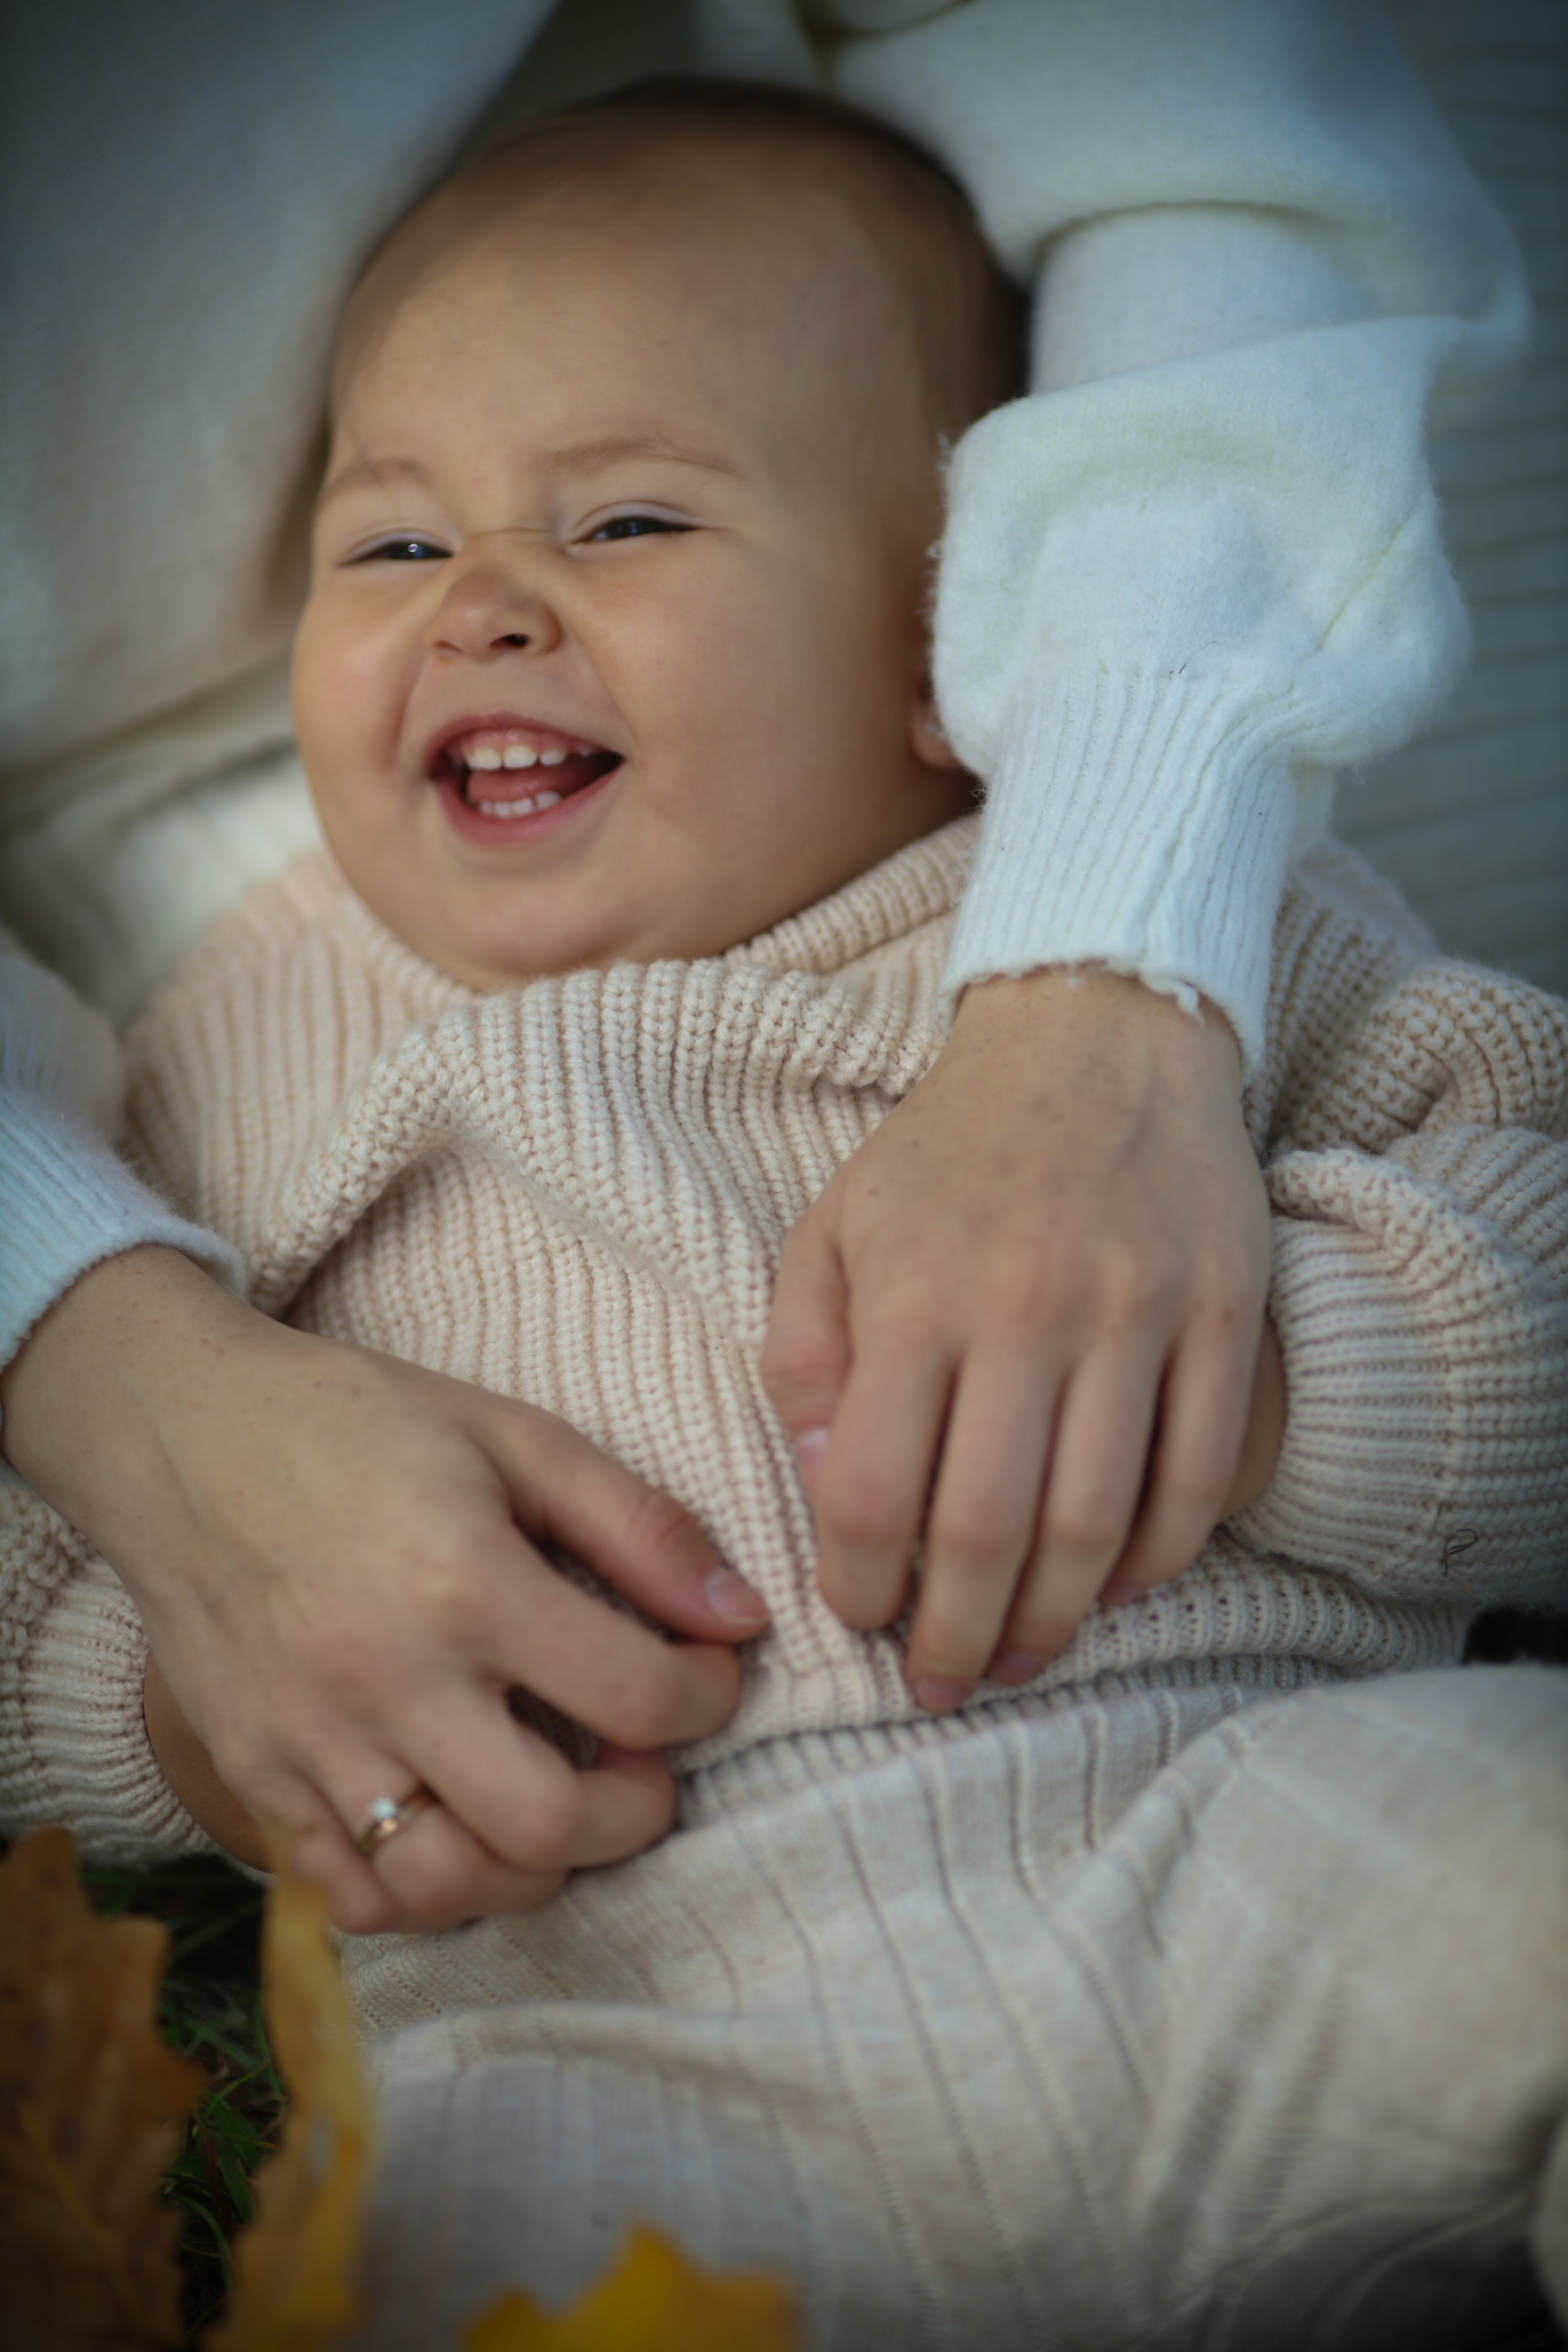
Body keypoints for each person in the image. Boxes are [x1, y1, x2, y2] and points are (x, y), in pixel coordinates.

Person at [8, 85, 1562, 2346]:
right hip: (612, 2020)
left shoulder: (1155, 941)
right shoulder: (219, 1052)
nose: (485, 611)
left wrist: (1243, 1393)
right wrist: (187, 1721)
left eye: (624, 519)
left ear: (966, 642)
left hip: (1242, 1827)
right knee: (429, 2257)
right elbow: (59, 1561)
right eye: (392, 546)